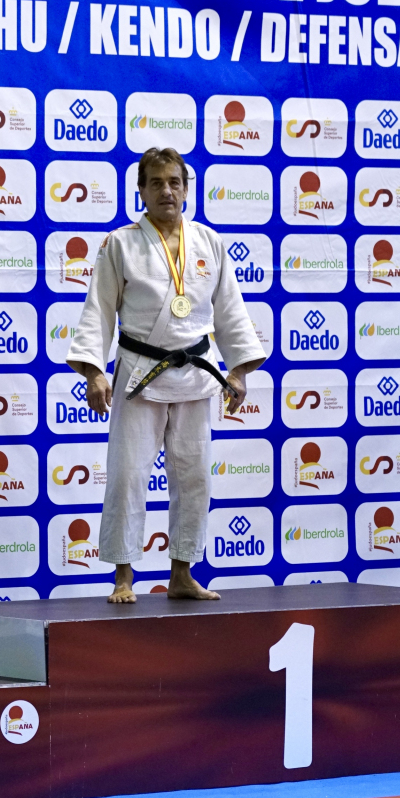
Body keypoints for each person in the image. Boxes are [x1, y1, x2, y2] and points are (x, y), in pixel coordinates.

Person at [67, 147, 266, 603]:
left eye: (174, 182)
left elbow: (230, 311)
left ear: (186, 188)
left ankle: (182, 572)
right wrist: (94, 372)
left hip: (195, 375)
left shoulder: (209, 242)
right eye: (156, 183)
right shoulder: (121, 244)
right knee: (127, 476)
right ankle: (123, 576)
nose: (166, 191)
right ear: (141, 190)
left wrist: (237, 370)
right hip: (139, 374)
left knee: (194, 478)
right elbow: (98, 311)